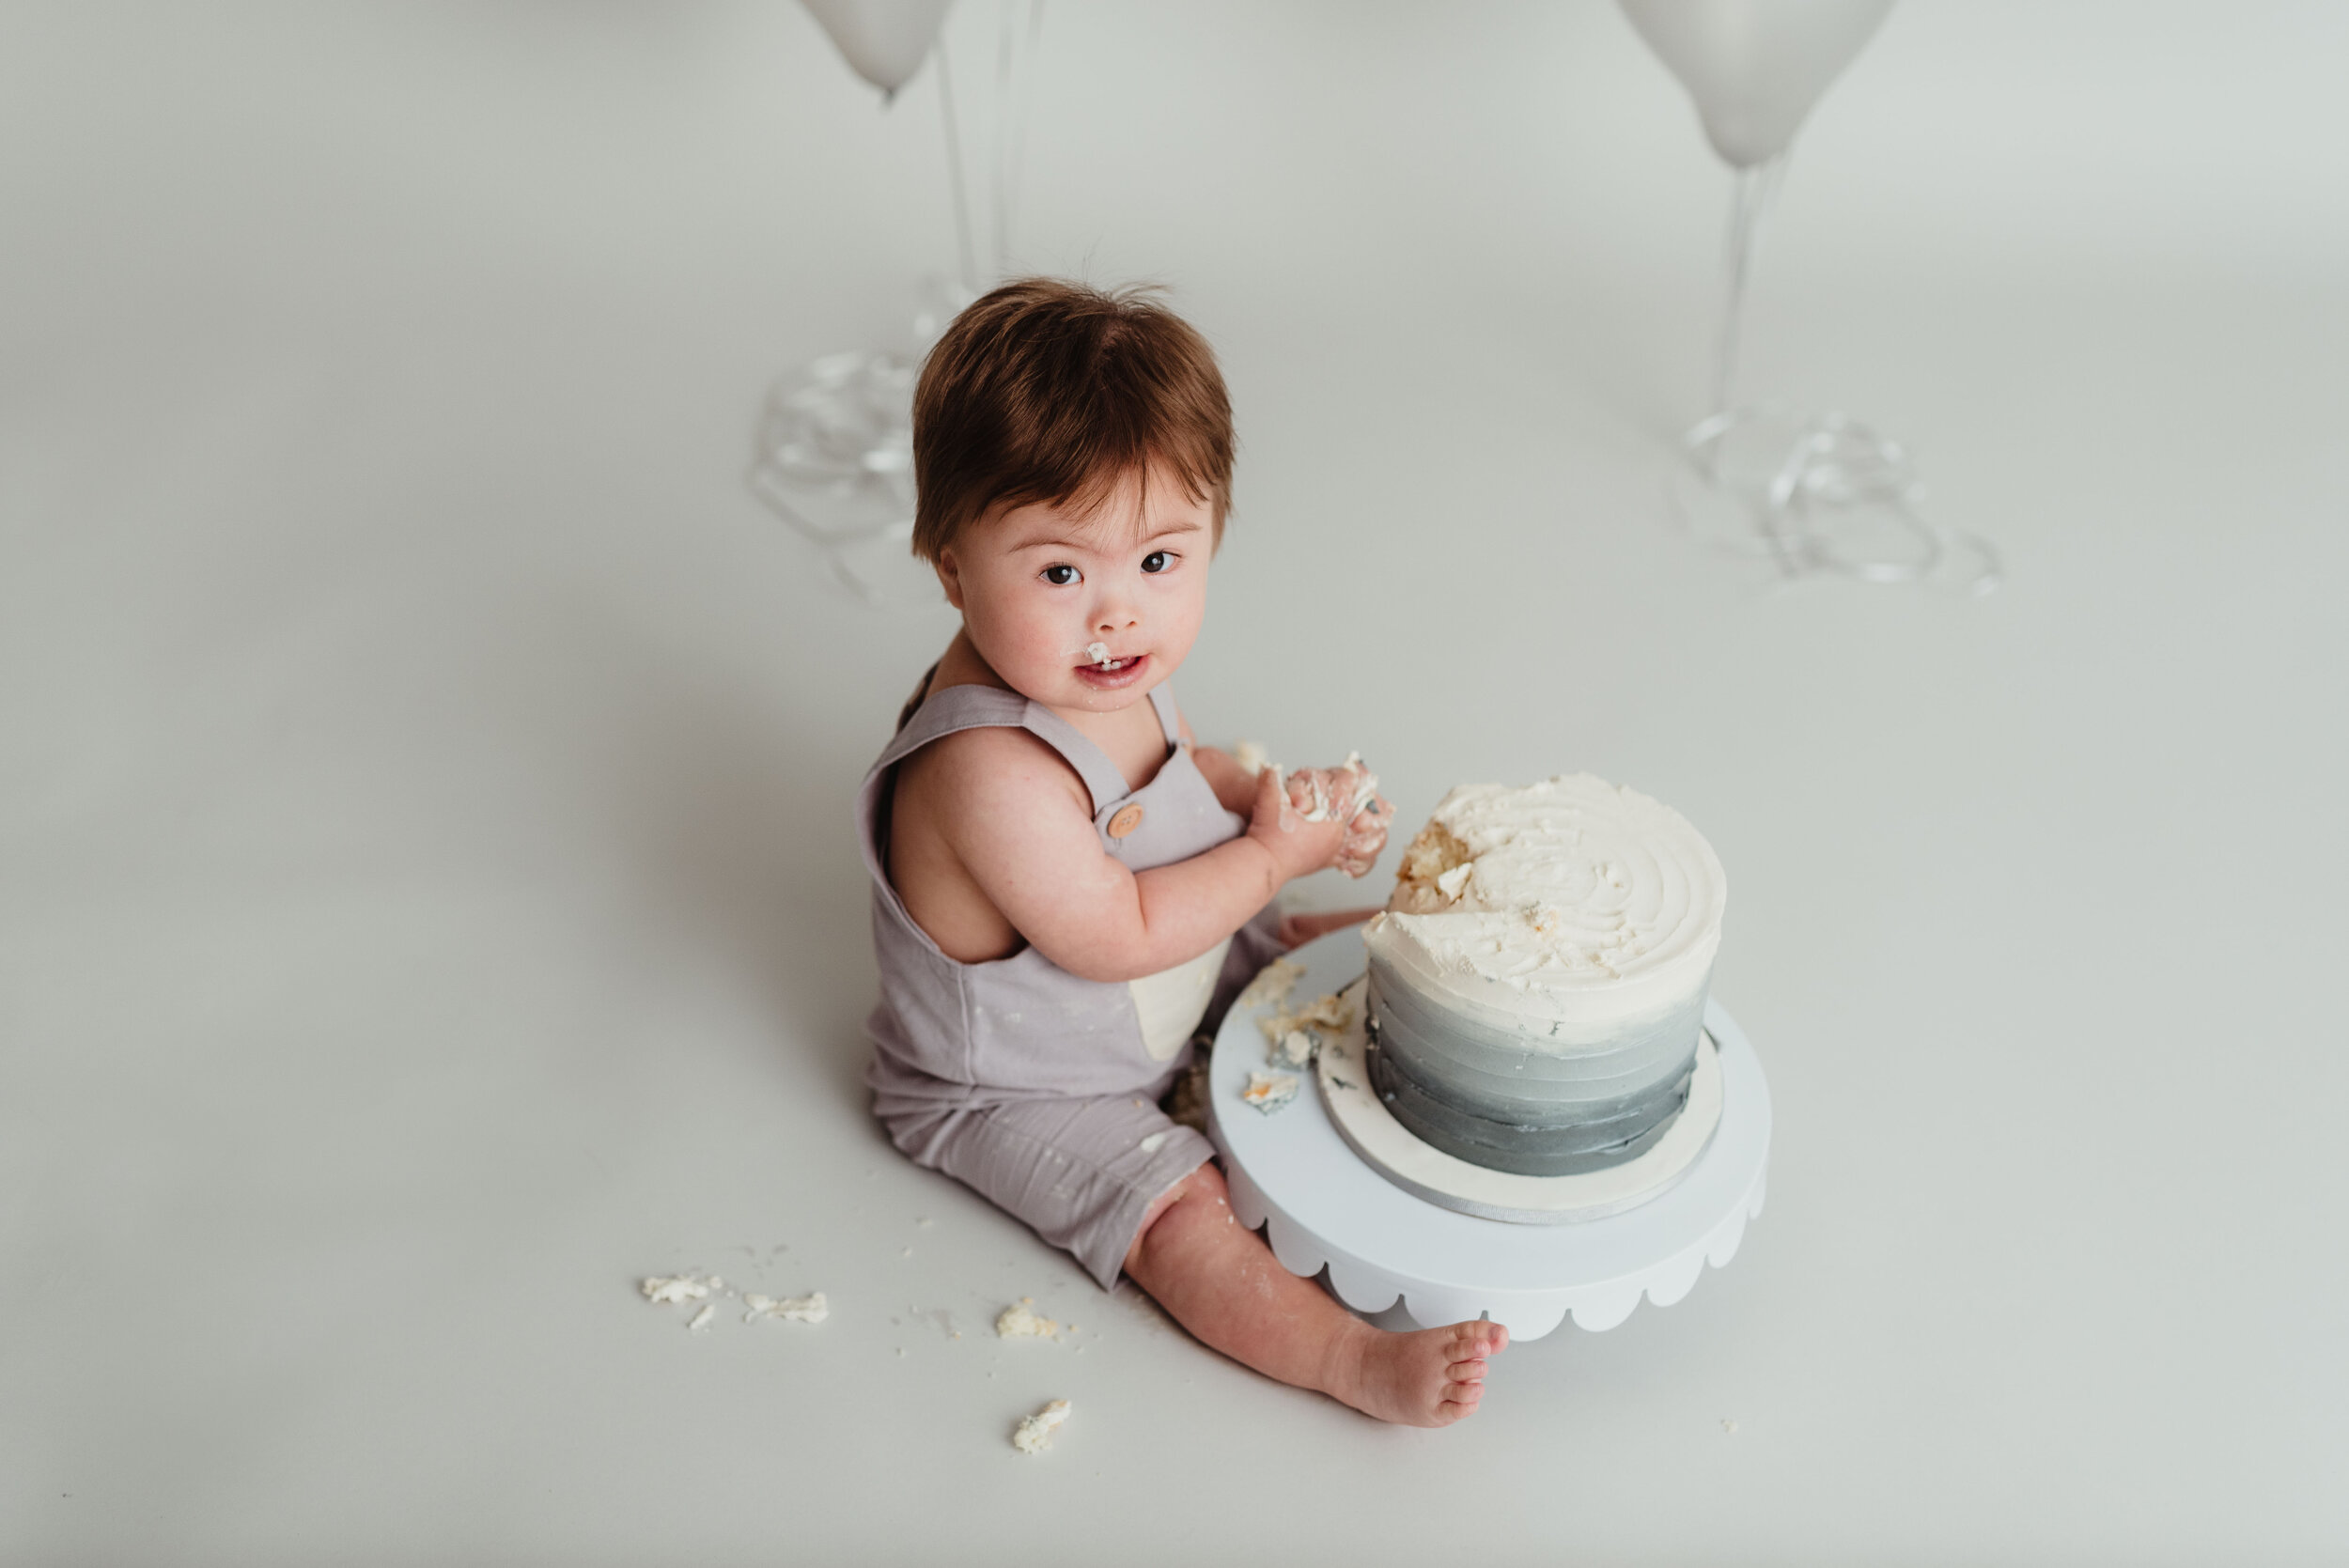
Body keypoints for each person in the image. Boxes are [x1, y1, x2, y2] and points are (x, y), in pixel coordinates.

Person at [857, 278, 1506, 1425]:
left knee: (1331, 950)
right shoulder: (985, 771)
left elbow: (1177, 779)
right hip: (1023, 1082)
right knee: (1177, 1209)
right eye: (1061, 572)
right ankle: (1352, 1363)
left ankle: (1509, 985)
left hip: (1158, 981)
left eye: (1159, 561)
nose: (1116, 615)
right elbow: (1116, 932)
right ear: (951, 566)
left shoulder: (1103, 669)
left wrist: (1270, 798)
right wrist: (1271, 851)